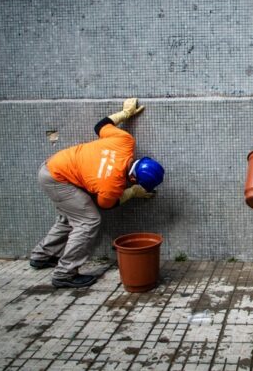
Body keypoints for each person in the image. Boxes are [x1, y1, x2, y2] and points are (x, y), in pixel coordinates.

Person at [30, 98, 165, 288]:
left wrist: (125, 113)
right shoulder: (112, 185)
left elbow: (101, 126)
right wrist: (132, 193)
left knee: (72, 216)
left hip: (55, 165)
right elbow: (105, 204)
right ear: (134, 180)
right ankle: (64, 274)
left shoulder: (125, 141)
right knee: (88, 221)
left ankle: (41, 256)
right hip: (58, 179)